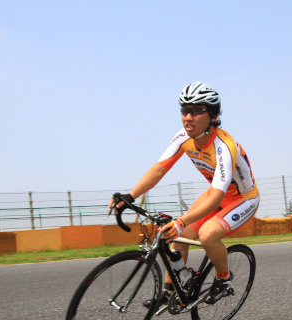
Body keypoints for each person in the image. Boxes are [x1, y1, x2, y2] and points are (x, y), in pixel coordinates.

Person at [110, 81, 259, 305]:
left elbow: (218, 195)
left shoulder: (224, 146)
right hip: (217, 193)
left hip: (242, 198)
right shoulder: (183, 138)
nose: (189, 117)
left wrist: (181, 220)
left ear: (212, 116)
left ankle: (223, 279)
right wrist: (130, 196)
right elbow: (160, 168)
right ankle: (170, 291)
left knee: (207, 235)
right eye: (185, 110)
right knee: (180, 234)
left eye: (197, 111)